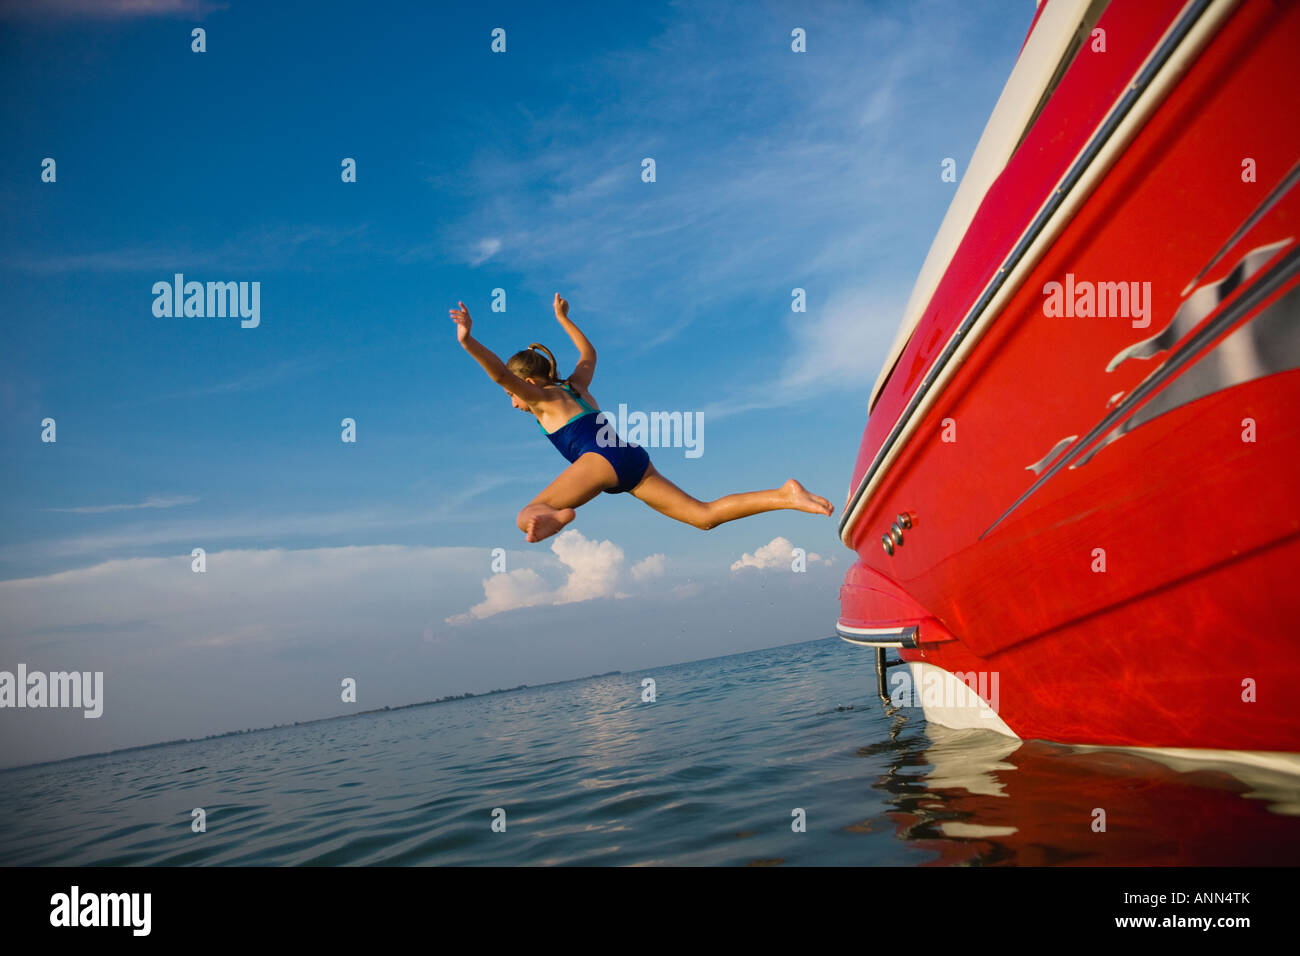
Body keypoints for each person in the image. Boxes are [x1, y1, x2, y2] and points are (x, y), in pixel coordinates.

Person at [451, 294, 835, 542]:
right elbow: (589, 354)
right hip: (631, 459)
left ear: (529, 383)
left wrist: (468, 340)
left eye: (511, 395)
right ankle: (785, 495)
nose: (512, 402)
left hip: (600, 461)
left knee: (527, 515)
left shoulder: (541, 399)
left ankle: (557, 518)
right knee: (703, 516)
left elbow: (501, 373)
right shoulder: (575, 387)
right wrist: (564, 319)